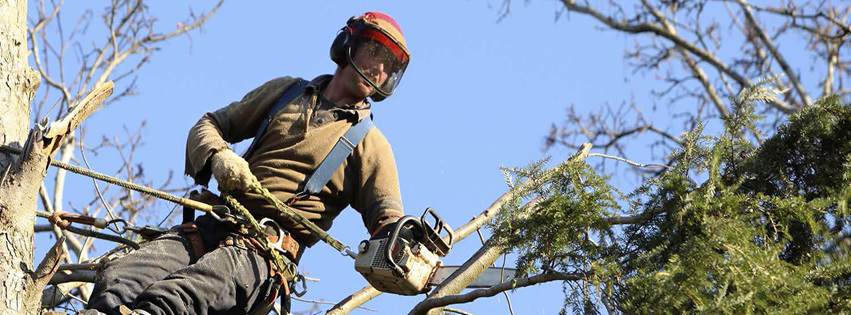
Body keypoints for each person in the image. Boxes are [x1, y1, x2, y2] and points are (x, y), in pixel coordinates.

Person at [82, 11, 410, 315]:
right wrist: (220, 157)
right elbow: (209, 124)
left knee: (172, 299)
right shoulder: (287, 92)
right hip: (214, 225)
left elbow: (388, 222)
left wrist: (409, 255)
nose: (380, 70)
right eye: (377, 54)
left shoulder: (370, 144)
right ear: (347, 44)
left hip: (262, 255)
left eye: (389, 68)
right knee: (119, 278)